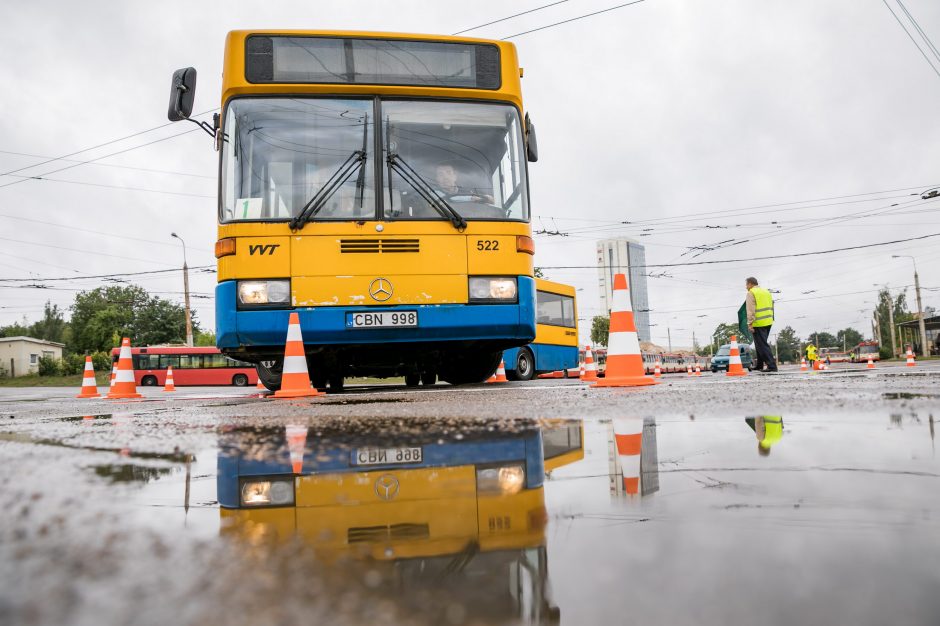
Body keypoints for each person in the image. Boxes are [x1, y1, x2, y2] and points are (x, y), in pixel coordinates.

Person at [745, 277, 777, 372]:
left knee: (762, 344)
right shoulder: (766, 291)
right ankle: (759, 365)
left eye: (746, 284)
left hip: (758, 322)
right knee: (759, 344)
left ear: (750, 284)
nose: (746, 287)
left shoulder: (751, 293)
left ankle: (772, 366)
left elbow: (750, 309)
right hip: (768, 321)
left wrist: (750, 323)